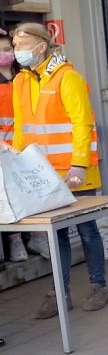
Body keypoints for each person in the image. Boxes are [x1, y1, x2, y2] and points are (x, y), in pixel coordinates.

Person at [11, 22, 108, 317]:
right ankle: (59, 293)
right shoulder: (21, 82)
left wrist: (78, 163)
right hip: (43, 174)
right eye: (15, 45)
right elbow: (20, 127)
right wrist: (14, 164)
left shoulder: (68, 78)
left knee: (87, 229)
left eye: (22, 45)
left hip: (75, 171)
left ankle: (98, 286)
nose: (17, 51)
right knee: (56, 235)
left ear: (41, 46)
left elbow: (83, 123)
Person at [0, 28, 29, 263]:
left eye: (7, 49)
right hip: (3, 148)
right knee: (9, 197)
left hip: (26, 146)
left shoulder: (25, 75)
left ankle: (39, 237)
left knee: (30, 190)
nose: (5, 54)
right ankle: (16, 240)